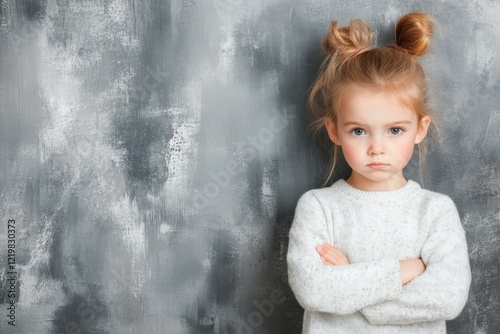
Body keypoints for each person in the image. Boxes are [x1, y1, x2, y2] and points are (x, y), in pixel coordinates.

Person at [287, 12, 472, 333]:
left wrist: (351, 282)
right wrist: (406, 270)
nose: (376, 147)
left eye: (395, 130)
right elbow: (314, 290)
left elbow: (448, 297)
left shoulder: (435, 211)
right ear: (334, 131)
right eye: (358, 131)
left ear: (419, 129)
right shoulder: (317, 207)